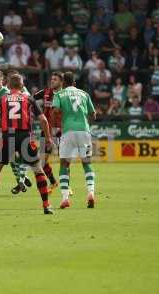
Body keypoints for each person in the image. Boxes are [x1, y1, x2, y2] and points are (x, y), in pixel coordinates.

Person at [0, 73, 54, 215]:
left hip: (7, 136)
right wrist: (48, 138)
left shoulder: (2, 99)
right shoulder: (28, 99)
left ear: (8, 86)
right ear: (21, 86)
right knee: (38, 170)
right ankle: (46, 206)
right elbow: (44, 120)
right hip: (25, 136)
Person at [52, 72, 96, 209]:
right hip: (84, 130)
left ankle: (65, 198)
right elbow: (93, 114)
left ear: (63, 83)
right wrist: (86, 125)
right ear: (75, 83)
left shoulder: (59, 94)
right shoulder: (84, 94)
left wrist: (58, 123)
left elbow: (55, 110)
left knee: (64, 164)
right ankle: (91, 193)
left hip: (68, 131)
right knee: (87, 163)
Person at [33, 72, 63, 193]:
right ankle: (53, 182)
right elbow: (30, 99)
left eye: (55, 79)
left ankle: (67, 187)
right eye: (52, 79)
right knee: (42, 161)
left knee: (64, 160)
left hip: (61, 131)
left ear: (61, 82)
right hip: (46, 130)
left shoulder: (65, 94)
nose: (52, 81)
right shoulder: (45, 92)